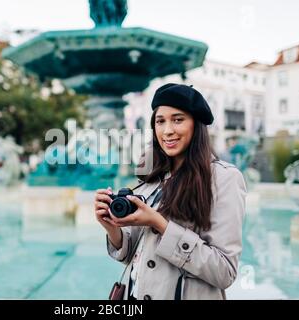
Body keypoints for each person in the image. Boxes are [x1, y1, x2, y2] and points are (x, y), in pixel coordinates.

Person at [95, 83, 247, 300]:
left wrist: (160, 224)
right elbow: (133, 256)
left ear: (196, 125)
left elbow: (225, 272)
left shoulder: (224, 179)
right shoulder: (151, 178)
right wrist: (112, 229)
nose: (167, 130)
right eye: (160, 121)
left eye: (178, 120)